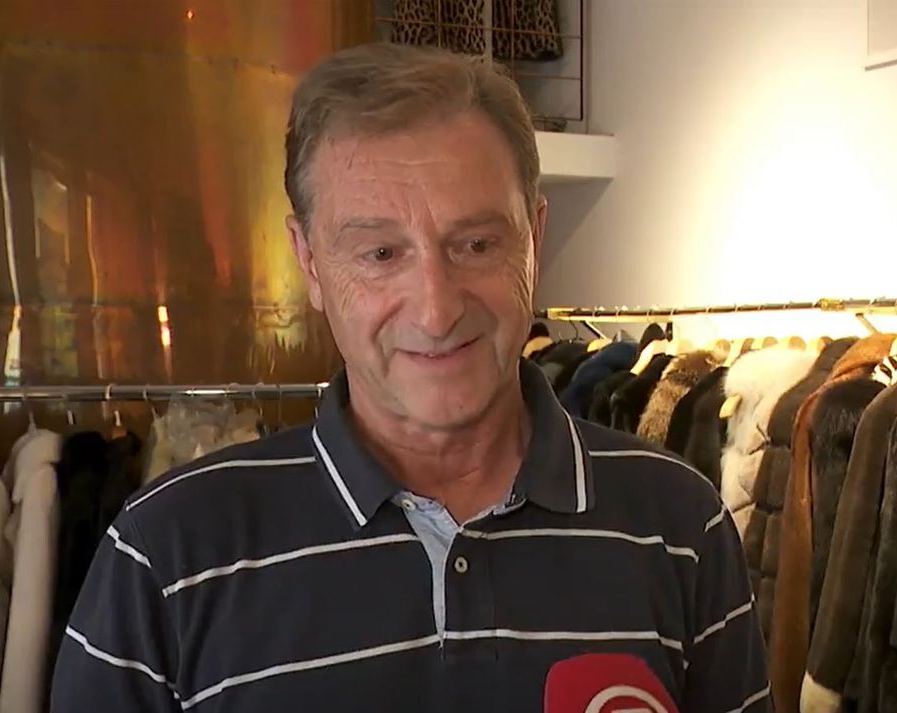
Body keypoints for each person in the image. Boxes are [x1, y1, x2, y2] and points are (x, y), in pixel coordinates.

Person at [51, 43, 769, 712]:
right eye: (381, 253)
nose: (436, 308)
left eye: (476, 243)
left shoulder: (680, 524)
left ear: (535, 238)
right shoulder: (165, 553)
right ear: (309, 263)